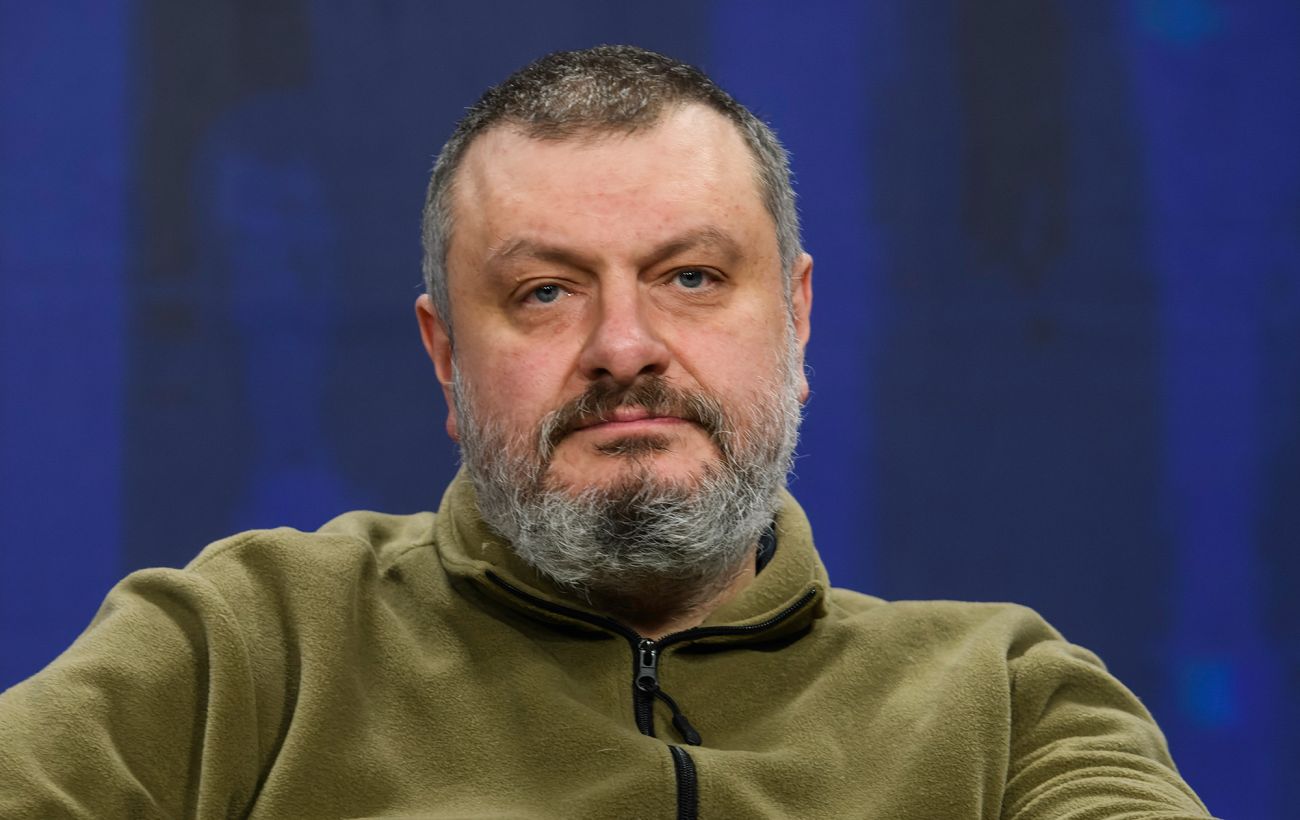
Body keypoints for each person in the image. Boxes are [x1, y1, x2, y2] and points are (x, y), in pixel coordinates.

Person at [0, 45, 1213, 819]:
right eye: (544, 292)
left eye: (690, 277)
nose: (623, 345)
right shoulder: (246, 645)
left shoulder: (1006, 700)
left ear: (794, 319)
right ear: (444, 354)